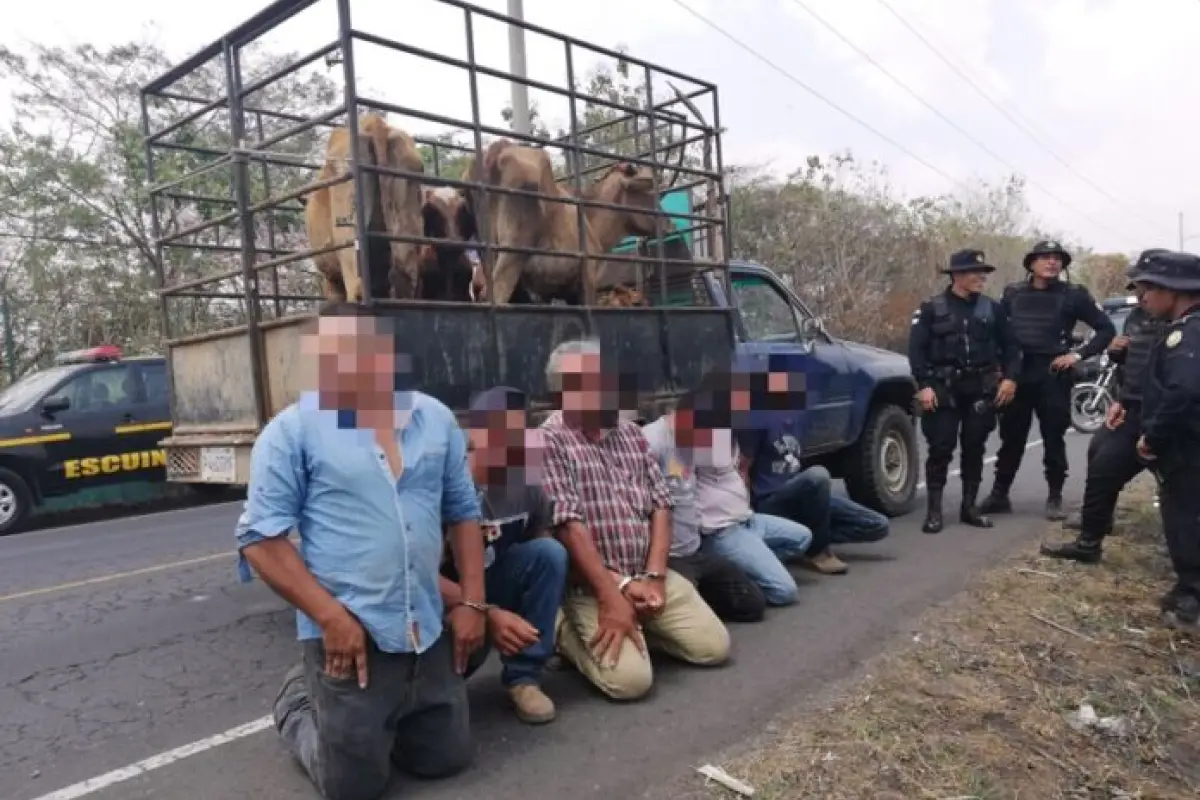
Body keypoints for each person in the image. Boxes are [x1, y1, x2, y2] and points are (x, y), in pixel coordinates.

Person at [236, 303, 487, 800]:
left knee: (445, 761)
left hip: (426, 630)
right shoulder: (292, 432)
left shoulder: (434, 420)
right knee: (352, 788)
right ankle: (297, 702)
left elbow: (463, 513)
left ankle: (391, 717)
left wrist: (475, 604)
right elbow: (261, 543)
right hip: (351, 634)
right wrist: (330, 618)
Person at [539, 338, 731, 701]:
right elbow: (568, 528)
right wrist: (618, 591)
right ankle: (564, 633)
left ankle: (640, 622)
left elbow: (661, 503)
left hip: (646, 574)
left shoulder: (629, 432)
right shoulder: (549, 442)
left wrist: (655, 576)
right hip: (594, 585)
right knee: (630, 684)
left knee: (714, 648)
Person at [442, 386, 568, 724]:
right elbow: (417, 572)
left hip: (490, 589)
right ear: (474, 434)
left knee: (549, 553)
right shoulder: (447, 484)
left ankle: (524, 677)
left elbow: (540, 539)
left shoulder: (524, 483)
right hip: (445, 607)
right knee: (432, 712)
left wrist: (534, 610)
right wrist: (483, 610)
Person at [1042, 258, 1168, 563]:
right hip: (1133, 409)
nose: (1141, 297)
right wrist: (1117, 358)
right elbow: (1132, 367)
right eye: (1137, 289)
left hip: (1173, 415)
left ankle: (1182, 554)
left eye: (1146, 289)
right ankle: (1090, 540)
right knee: (1102, 461)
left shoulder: (1187, 322)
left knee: (1178, 485)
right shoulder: (1137, 317)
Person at [980, 240, 1116, 520]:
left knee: (1053, 437)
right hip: (1018, 374)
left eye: (1057, 258)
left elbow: (1106, 329)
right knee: (1011, 437)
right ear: (1032, 263)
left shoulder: (1073, 294)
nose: (1052, 262)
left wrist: (1077, 355)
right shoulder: (1013, 293)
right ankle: (999, 494)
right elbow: (1001, 334)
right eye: (1045, 257)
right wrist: (999, 370)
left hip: (1053, 374)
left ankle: (1055, 497)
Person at [642, 375, 794, 614]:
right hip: (670, 557)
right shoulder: (652, 441)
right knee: (684, 618)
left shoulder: (693, 442)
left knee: (752, 605)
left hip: (696, 549)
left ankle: (708, 593)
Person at [733, 358, 892, 574]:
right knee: (818, 476)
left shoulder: (797, 417)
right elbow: (742, 469)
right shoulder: (757, 419)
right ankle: (818, 551)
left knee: (877, 525)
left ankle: (799, 538)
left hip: (802, 496)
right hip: (770, 500)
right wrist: (743, 516)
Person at [908, 248, 1020, 533]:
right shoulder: (932, 308)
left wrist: (1010, 379)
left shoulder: (992, 309)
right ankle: (934, 512)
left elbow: (1011, 348)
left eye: (983, 273)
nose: (981, 277)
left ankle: (969, 508)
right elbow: (916, 351)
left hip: (980, 389)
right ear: (957, 275)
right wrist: (924, 386)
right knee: (941, 448)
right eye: (974, 272)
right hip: (943, 389)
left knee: (974, 448)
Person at [1128, 250, 1200, 629]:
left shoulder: (1186, 334)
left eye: (1147, 290)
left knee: (1186, 519)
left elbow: (1183, 391)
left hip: (1188, 449)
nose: (1143, 300)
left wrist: (1152, 438)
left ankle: (1191, 597)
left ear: (1173, 290)